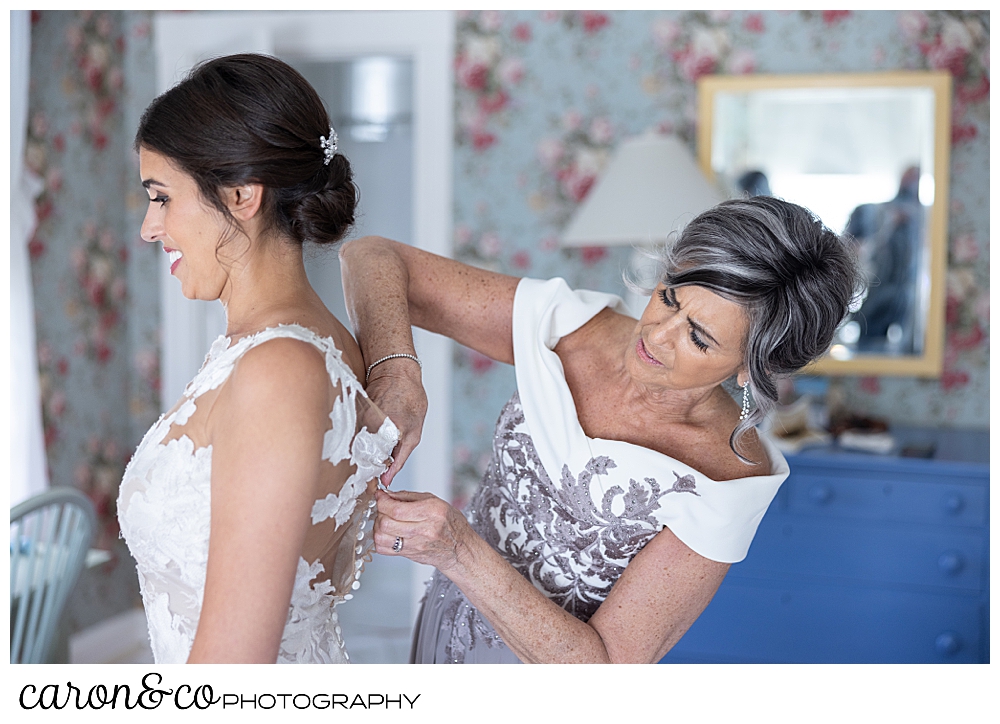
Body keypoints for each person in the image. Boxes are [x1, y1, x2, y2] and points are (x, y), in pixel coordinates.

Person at [339, 196, 862, 663]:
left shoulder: (725, 483)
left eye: (698, 338)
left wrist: (458, 550)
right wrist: (397, 372)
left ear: (753, 366)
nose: (657, 335)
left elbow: (605, 672)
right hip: (440, 635)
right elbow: (372, 257)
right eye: (670, 296)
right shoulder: (567, 325)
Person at [117, 54, 398, 664]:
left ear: (242, 194)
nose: (148, 226)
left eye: (162, 197)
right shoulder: (293, 344)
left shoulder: (280, 370)